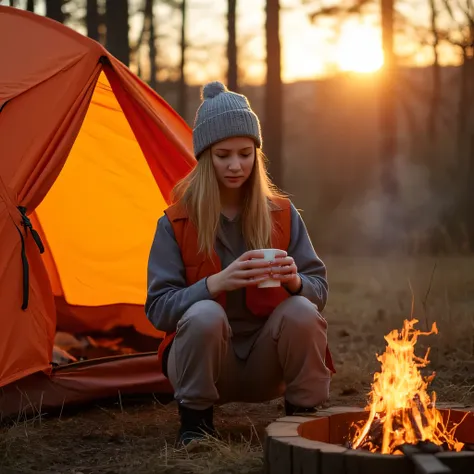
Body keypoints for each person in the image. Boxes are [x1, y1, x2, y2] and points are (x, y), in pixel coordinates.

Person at [145, 81, 335, 447]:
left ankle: (302, 424)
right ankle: (196, 427)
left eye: (245, 154)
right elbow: (157, 310)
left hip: (269, 362)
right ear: (205, 157)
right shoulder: (176, 222)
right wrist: (214, 284)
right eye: (223, 155)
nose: (236, 166)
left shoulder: (281, 213)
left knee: (300, 311)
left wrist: (296, 282)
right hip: (208, 367)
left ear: (256, 154)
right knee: (205, 314)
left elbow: (319, 290)